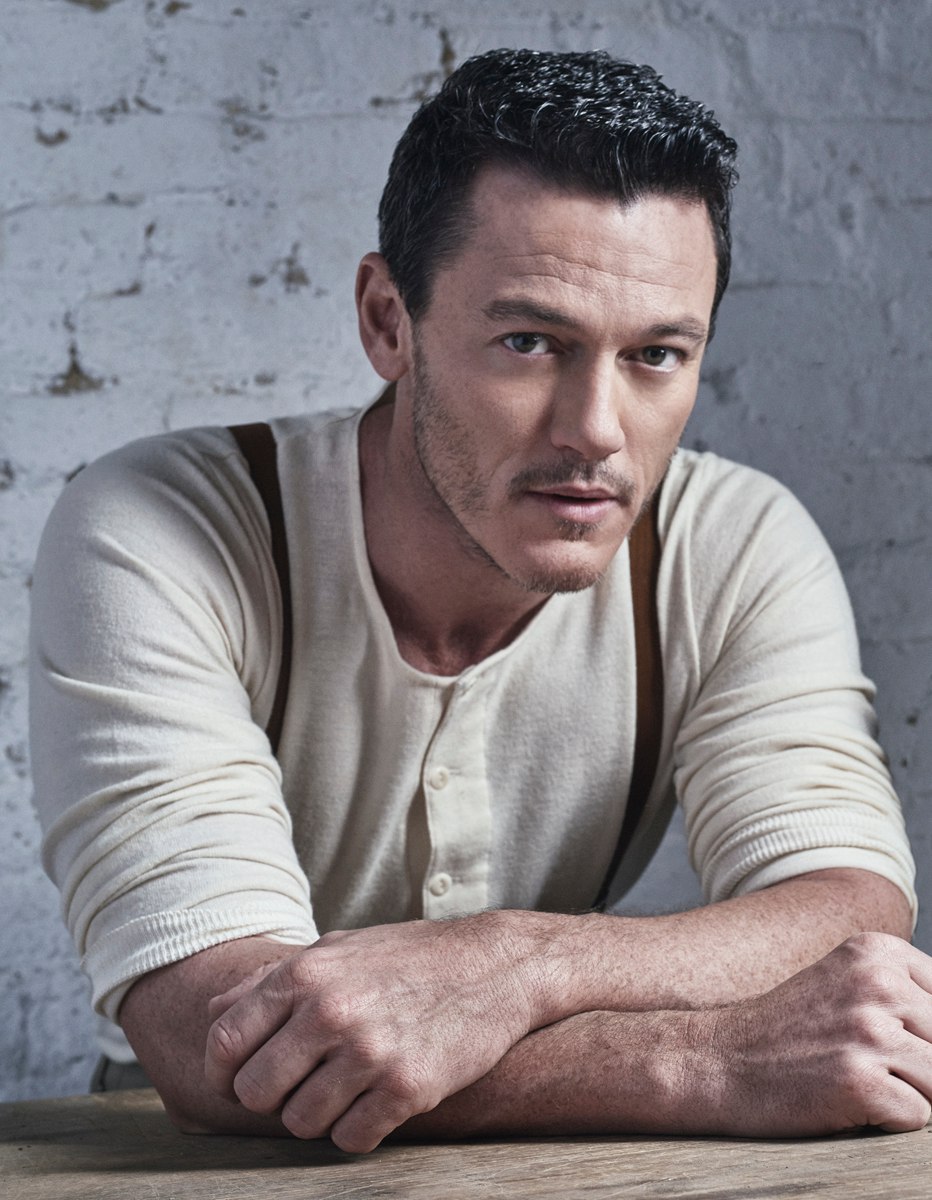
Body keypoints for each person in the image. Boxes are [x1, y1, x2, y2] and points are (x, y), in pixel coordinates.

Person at [30, 48, 930, 1154]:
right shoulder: (163, 531)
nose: (595, 430)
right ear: (387, 321)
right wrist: (705, 1058)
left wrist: (519, 964)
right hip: (200, 1169)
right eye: (529, 343)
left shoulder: (731, 544)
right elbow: (214, 1034)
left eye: (656, 355)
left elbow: (844, 908)